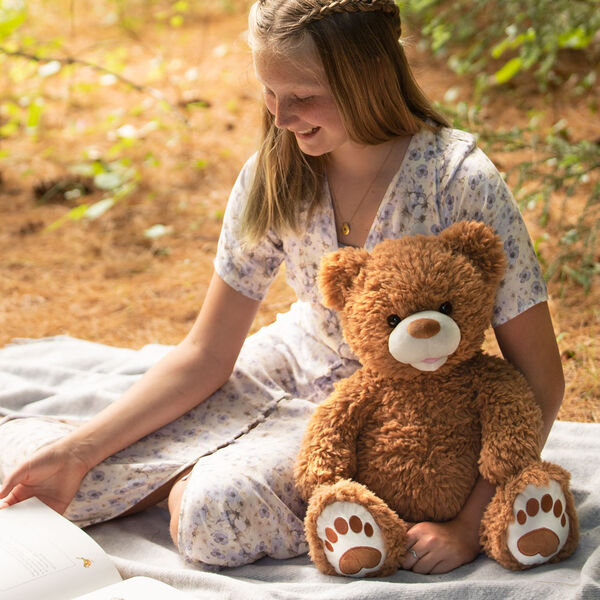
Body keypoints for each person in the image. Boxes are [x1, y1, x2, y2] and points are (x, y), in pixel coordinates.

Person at [0, 0, 564, 576]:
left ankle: (197, 474)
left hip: (402, 420)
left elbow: (541, 378)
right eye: (270, 94)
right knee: (38, 473)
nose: (280, 117)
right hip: (281, 369)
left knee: (214, 515)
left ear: (368, 77)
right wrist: (79, 450)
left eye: (302, 97)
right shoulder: (276, 169)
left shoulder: (459, 181)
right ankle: (182, 462)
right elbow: (206, 353)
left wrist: (467, 526)